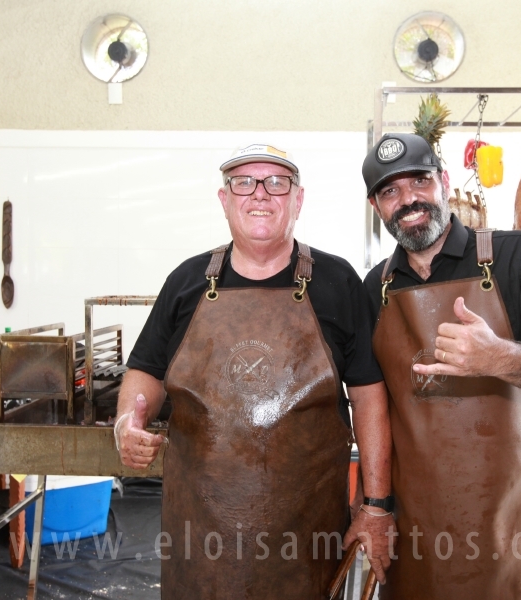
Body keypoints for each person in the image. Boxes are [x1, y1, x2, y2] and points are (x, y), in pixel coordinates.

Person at [114, 143, 395, 599]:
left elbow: (369, 397)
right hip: (200, 535)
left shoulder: (338, 281)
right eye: (243, 183)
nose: (260, 194)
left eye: (276, 183)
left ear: (297, 200)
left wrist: (377, 506)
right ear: (224, 200)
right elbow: (144, 373)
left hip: (307, 536)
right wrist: (127, 423)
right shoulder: (185, 283)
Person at [361, 133, 521, 599]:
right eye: (390, 191)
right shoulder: (376, 286)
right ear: (376, 206)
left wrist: (500, 356)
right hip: (418, 514)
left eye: (420, 181)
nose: (408, 199)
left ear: (445, 182)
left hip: (513, 509)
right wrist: (375, 506)